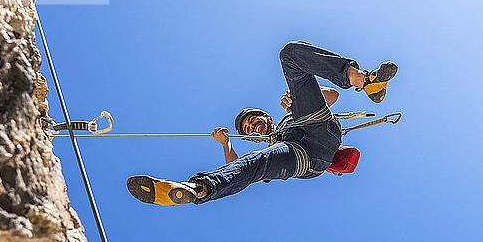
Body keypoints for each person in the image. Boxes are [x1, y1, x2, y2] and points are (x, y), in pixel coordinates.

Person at [127, 41, 397, 206]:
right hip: (303, 157)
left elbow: (332, 96)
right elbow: (238, 168)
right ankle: (198, 189)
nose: (253, 127)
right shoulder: (270, 145)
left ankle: (364, 80)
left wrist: (296, 102)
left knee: (290, 54)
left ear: (266, 117)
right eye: (248, 130)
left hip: (315, 127)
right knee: (254, 164)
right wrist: (227, 144)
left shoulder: (288, 115)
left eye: (253, 121)